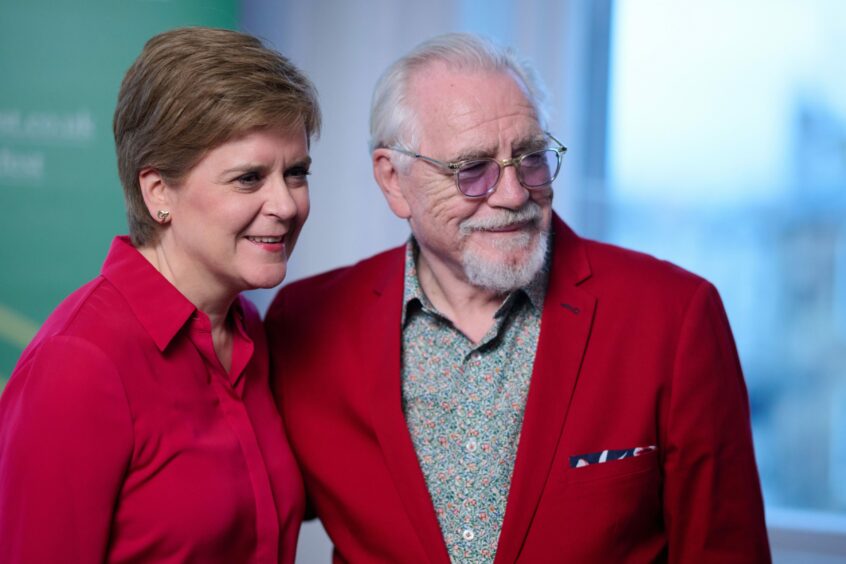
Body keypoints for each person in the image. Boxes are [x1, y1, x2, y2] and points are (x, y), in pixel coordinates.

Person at [266, 32, 771, 563]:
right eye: (472, 169)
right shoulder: (305, 324)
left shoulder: (674, 316)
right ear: (394, 180)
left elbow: (726, 550)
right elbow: (240, 511)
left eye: (531, 158)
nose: (513, 194)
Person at [0, 27, 320, 563]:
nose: (285, 205)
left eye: (296, 173)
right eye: (248, 178)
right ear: (158, 193)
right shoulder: (79, 363)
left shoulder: (245, 328)